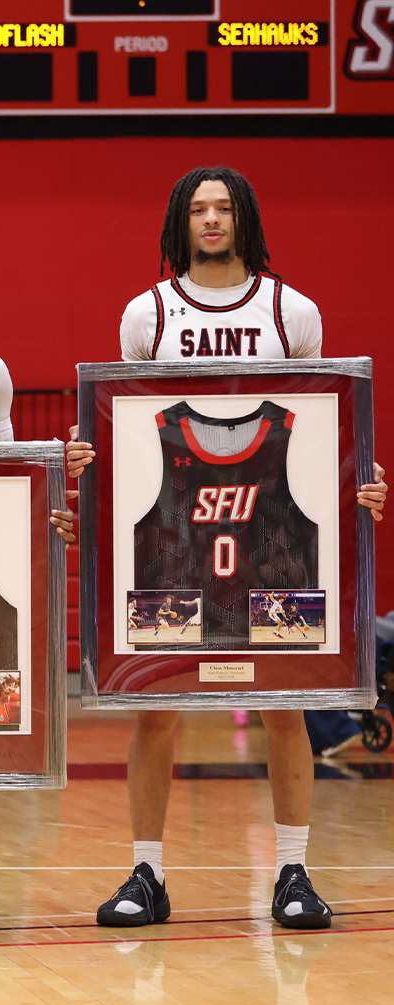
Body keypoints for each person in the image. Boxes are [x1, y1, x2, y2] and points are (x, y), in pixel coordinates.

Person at [86, 166, 387, 931]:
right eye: (198, 210)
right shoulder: (147, 313)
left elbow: (325, 422)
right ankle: (147, 874)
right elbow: (130, 425)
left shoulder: (294, 312)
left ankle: (293, 871)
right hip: (175, 536)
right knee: (157, 708)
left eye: (223, 209)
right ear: (180, 224)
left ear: (244, 218)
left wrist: (364, 476)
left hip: (274, 532)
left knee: (285, 704)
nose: (211, 221)